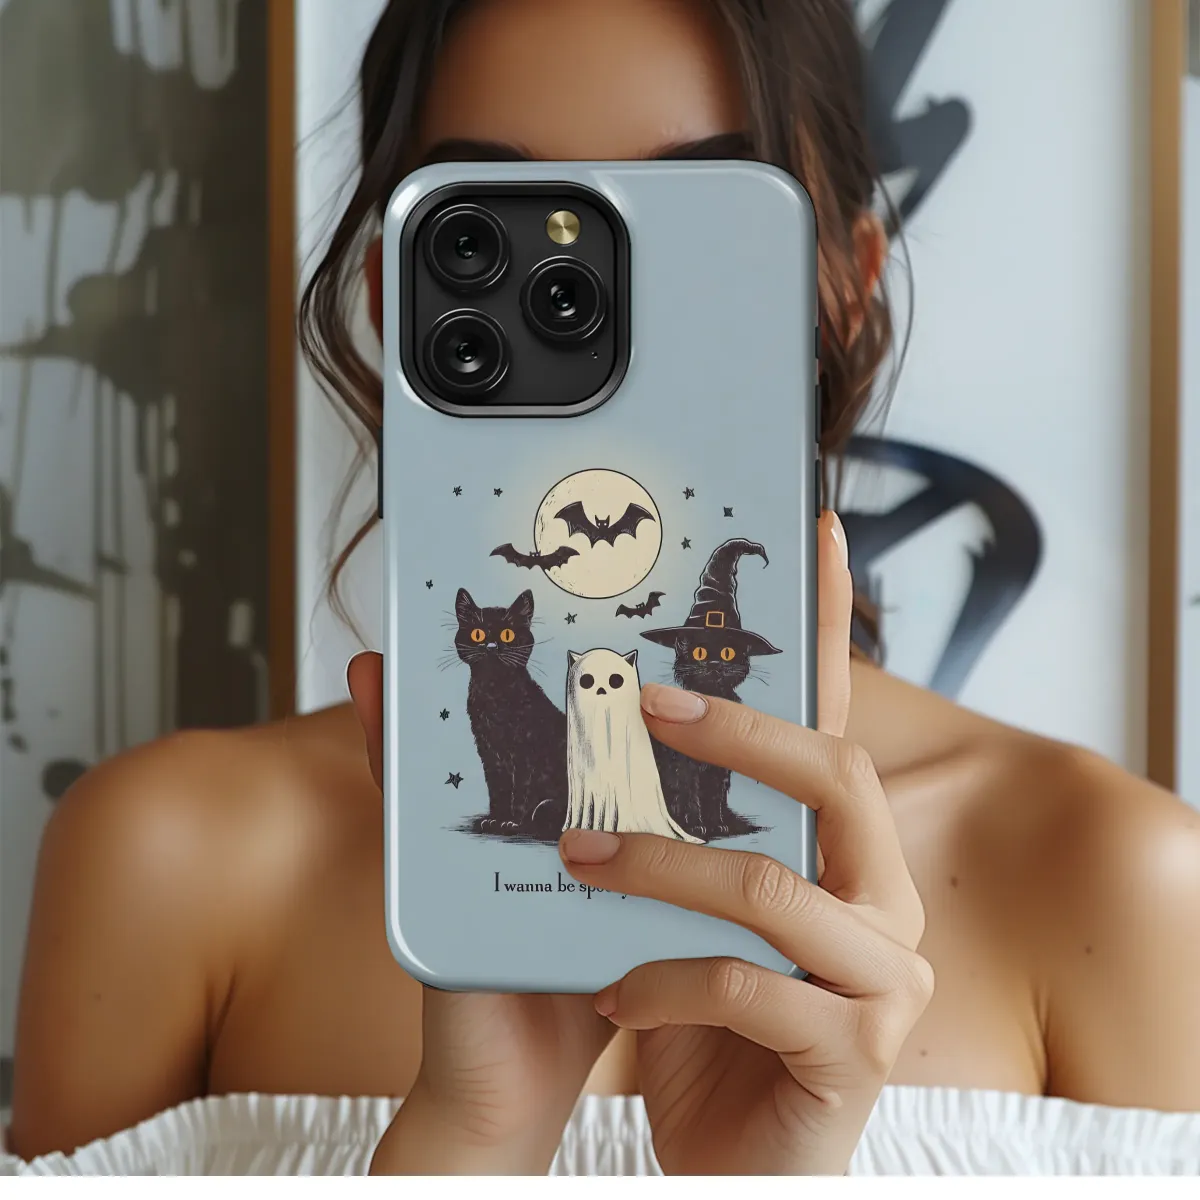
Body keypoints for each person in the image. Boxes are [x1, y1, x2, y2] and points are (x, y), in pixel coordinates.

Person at [7, 0, 1200, 1176]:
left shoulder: (1116, 881)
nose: (594, 298)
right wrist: (474, 1140)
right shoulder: (169, 861)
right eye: (491, 231)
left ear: (847, 286)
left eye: (703, 223)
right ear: (391, 295)